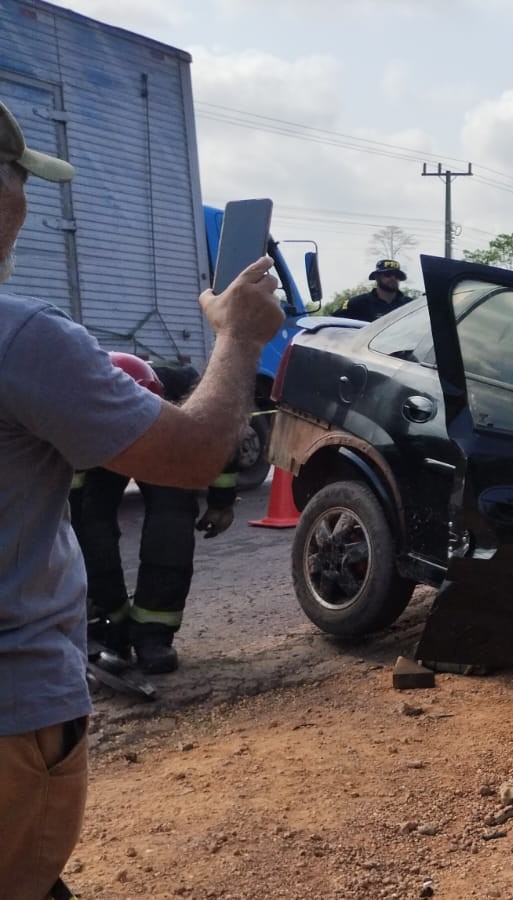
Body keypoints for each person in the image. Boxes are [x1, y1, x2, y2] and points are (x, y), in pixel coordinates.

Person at [0, 97, 285, 900]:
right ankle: (142, 639)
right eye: (20, 184)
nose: (26, 209)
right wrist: (239, 338)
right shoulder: (24, 341)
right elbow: (194, 456)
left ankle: (134, 638)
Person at [70, 360, 238, 674]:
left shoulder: (189, 392)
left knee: (171, 521)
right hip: (103, 449)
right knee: (89, 527)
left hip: (164, 440)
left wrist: (221, 503)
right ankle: (108, 627)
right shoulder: (78, 403)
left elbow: (222, 442)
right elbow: (72, 491)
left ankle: (153, 635)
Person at [342, 259, 412, 322]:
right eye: (388, 274)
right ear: (377, 277)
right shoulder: (356, 304)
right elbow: (335, 325)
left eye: (397, 276)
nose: (393, 278)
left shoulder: (410, 304)